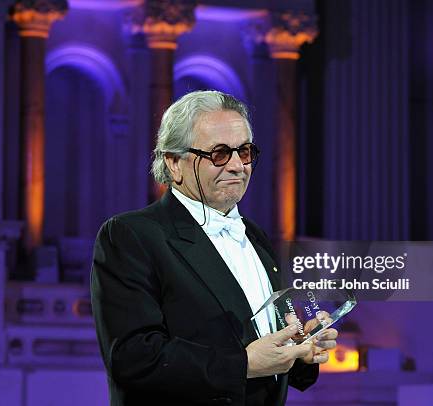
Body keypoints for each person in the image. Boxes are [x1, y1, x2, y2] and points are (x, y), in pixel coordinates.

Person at [91, 90, 338, 406]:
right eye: (220, 154)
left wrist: (302, 346)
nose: (238, 166)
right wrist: (243, 364)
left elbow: (270, 354)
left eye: (244, 152)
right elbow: (133, 357)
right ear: (174, 163)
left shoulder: (255, 236)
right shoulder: (131, 235)